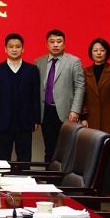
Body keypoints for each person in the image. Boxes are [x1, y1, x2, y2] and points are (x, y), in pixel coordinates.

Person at [0, 33, 41, 162]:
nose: (14, 49)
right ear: (5, 49)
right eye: (11, 46)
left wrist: (36, 119)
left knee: (25, 158)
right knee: (3, 158)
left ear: (23, 49)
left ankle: (24, 176)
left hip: (25, 121)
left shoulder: (32, 70)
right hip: (3, 121)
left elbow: (35, 96)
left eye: (17, 46)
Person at [35, 29, 85, 162]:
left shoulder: (74, 61)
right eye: (52, 42)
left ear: (64, 44)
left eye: (59, 41)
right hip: (46, 111)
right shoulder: (39, 62)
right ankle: (50, 173)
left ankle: (64, 174)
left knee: (66, 149)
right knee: (49, 148)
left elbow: (80, 87)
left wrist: (75, 110)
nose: (55, 45)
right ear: (47, 44)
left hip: (66, 112)